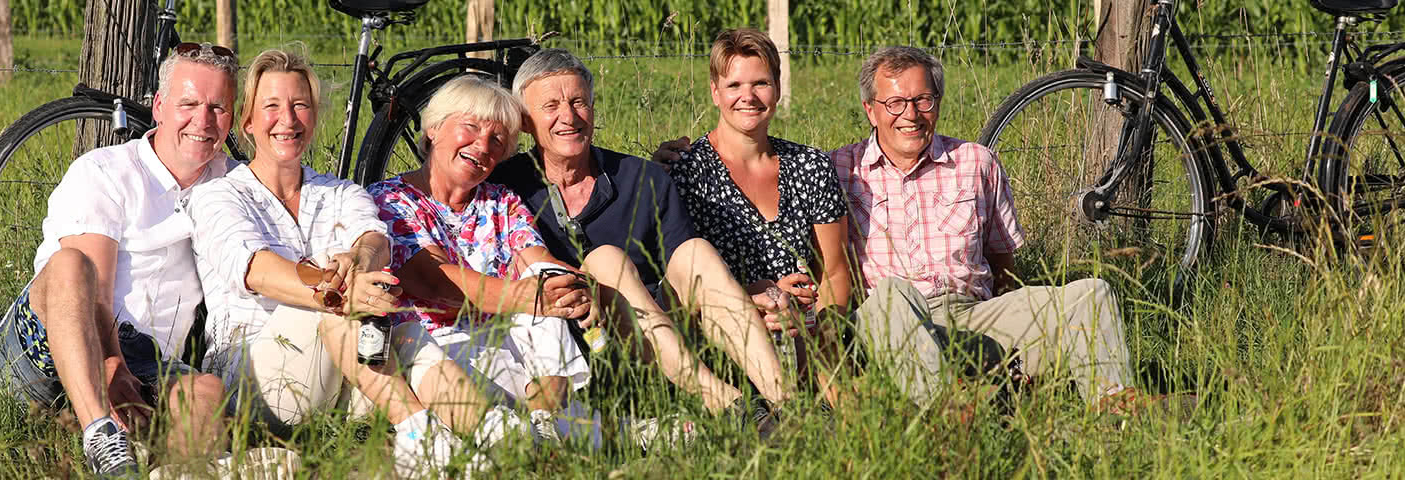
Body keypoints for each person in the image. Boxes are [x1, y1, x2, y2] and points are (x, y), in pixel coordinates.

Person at [186, 49, 496, 477]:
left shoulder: (341, 192)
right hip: (259, 377)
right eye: (271, 107)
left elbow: (374, 239)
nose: (288, 120)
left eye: (300, 106)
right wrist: (339, 292)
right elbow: (256, 270)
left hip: (345, 374)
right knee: (334, 312)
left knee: (404, 332)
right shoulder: (219, 196)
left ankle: (503, 441)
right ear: (249, 121)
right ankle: (420, 438)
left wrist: (358, 257)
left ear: (314, 117)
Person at [486, 48, 796, 433]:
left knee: (696, 251)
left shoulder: (642, 177)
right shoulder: (502, 188)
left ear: (594, 109)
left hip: (655, 341)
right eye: (551, 106)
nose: (569, 116)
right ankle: (727, 404)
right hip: (566, 349)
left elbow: (694, 281)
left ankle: (789, 404)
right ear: (526, 122)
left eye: (579, 101)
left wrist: (748, 293)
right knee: (605, 262)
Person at [828, 46, 1145, 414]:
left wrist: (1009, 318)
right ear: (871, 109)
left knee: (1091, 293)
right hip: (887, 322)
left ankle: (1114, 407)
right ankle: (950, 415)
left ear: (939, 101)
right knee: (894, 295)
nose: (911, 115)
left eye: (923, 100)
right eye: (895, 103)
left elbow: (1004, 264)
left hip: (970, 315)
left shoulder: (976, 162)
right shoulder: (840, 169)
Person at [0, 43, 236, 476]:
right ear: (159, 106)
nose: (203, 120)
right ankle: (102, 434)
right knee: (70, 264)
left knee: (207, 393)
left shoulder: (230, 184)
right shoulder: (105, 170)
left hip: (150, 360)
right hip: (58, 335)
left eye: (218, 107)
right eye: (189, 103)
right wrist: (110, 364)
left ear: (233, 116)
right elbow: (94, 288)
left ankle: (166, 469)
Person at [368, 75, 607, 445]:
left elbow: (535, 256)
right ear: (433, 128)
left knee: (545, 275)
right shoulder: (390, 198)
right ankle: (583, 433)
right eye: (471, 127)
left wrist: (573, 286)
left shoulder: (500, 200)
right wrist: (529, 296)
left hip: (508, 350)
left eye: (497, 140)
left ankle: (547, 421)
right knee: (536, 291)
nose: (482, 146)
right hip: (438, 352)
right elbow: (434, 281)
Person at [655, 29, 858, 406]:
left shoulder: (810, 165)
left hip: (802, 329)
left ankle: (812, 403)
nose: (748, 97)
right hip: (719, 334)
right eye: (734, 84)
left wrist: (822, 339)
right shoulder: (686, 172)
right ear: (715, 91)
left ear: (778, 89)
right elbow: (676, 284)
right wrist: (753, 298)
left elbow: (834, 270)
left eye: (761, 82)